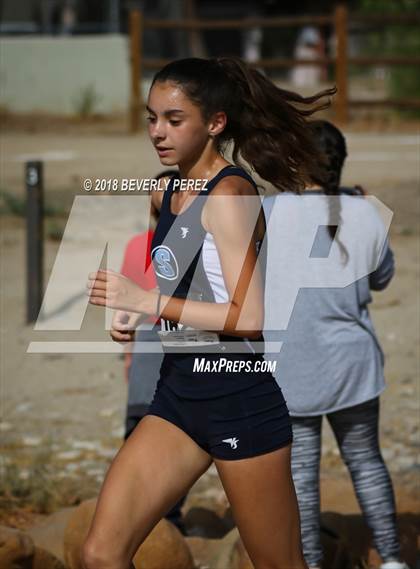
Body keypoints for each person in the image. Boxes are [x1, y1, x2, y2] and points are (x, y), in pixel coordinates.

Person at [83, 57, 336, 569]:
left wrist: (145, 301)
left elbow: (249, 316)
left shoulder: (230, 195)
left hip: (237, 396)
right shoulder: (166, 191)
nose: (158, 132)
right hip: (178, 395)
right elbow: (186, 275)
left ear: (215, 123)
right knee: (100, 555)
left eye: (174, 120)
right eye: (151, 118)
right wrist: (139, 313)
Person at [263, 121, 409, 569]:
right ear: (339, 163)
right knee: (366, 461)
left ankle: (309, 562)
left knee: (301, 479)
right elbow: (382, 280)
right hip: (354, 365)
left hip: (292, 366)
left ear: (293, 159)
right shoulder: (366, 211)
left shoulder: (267, 210)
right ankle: (393, 559)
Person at [120, 169, 187, 533]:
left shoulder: (140, 245)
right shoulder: (194, 240)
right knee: (161, 433)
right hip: (164, 341)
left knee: (149, 432)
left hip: (161, 341)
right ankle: (162, 517)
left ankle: (154, 518)